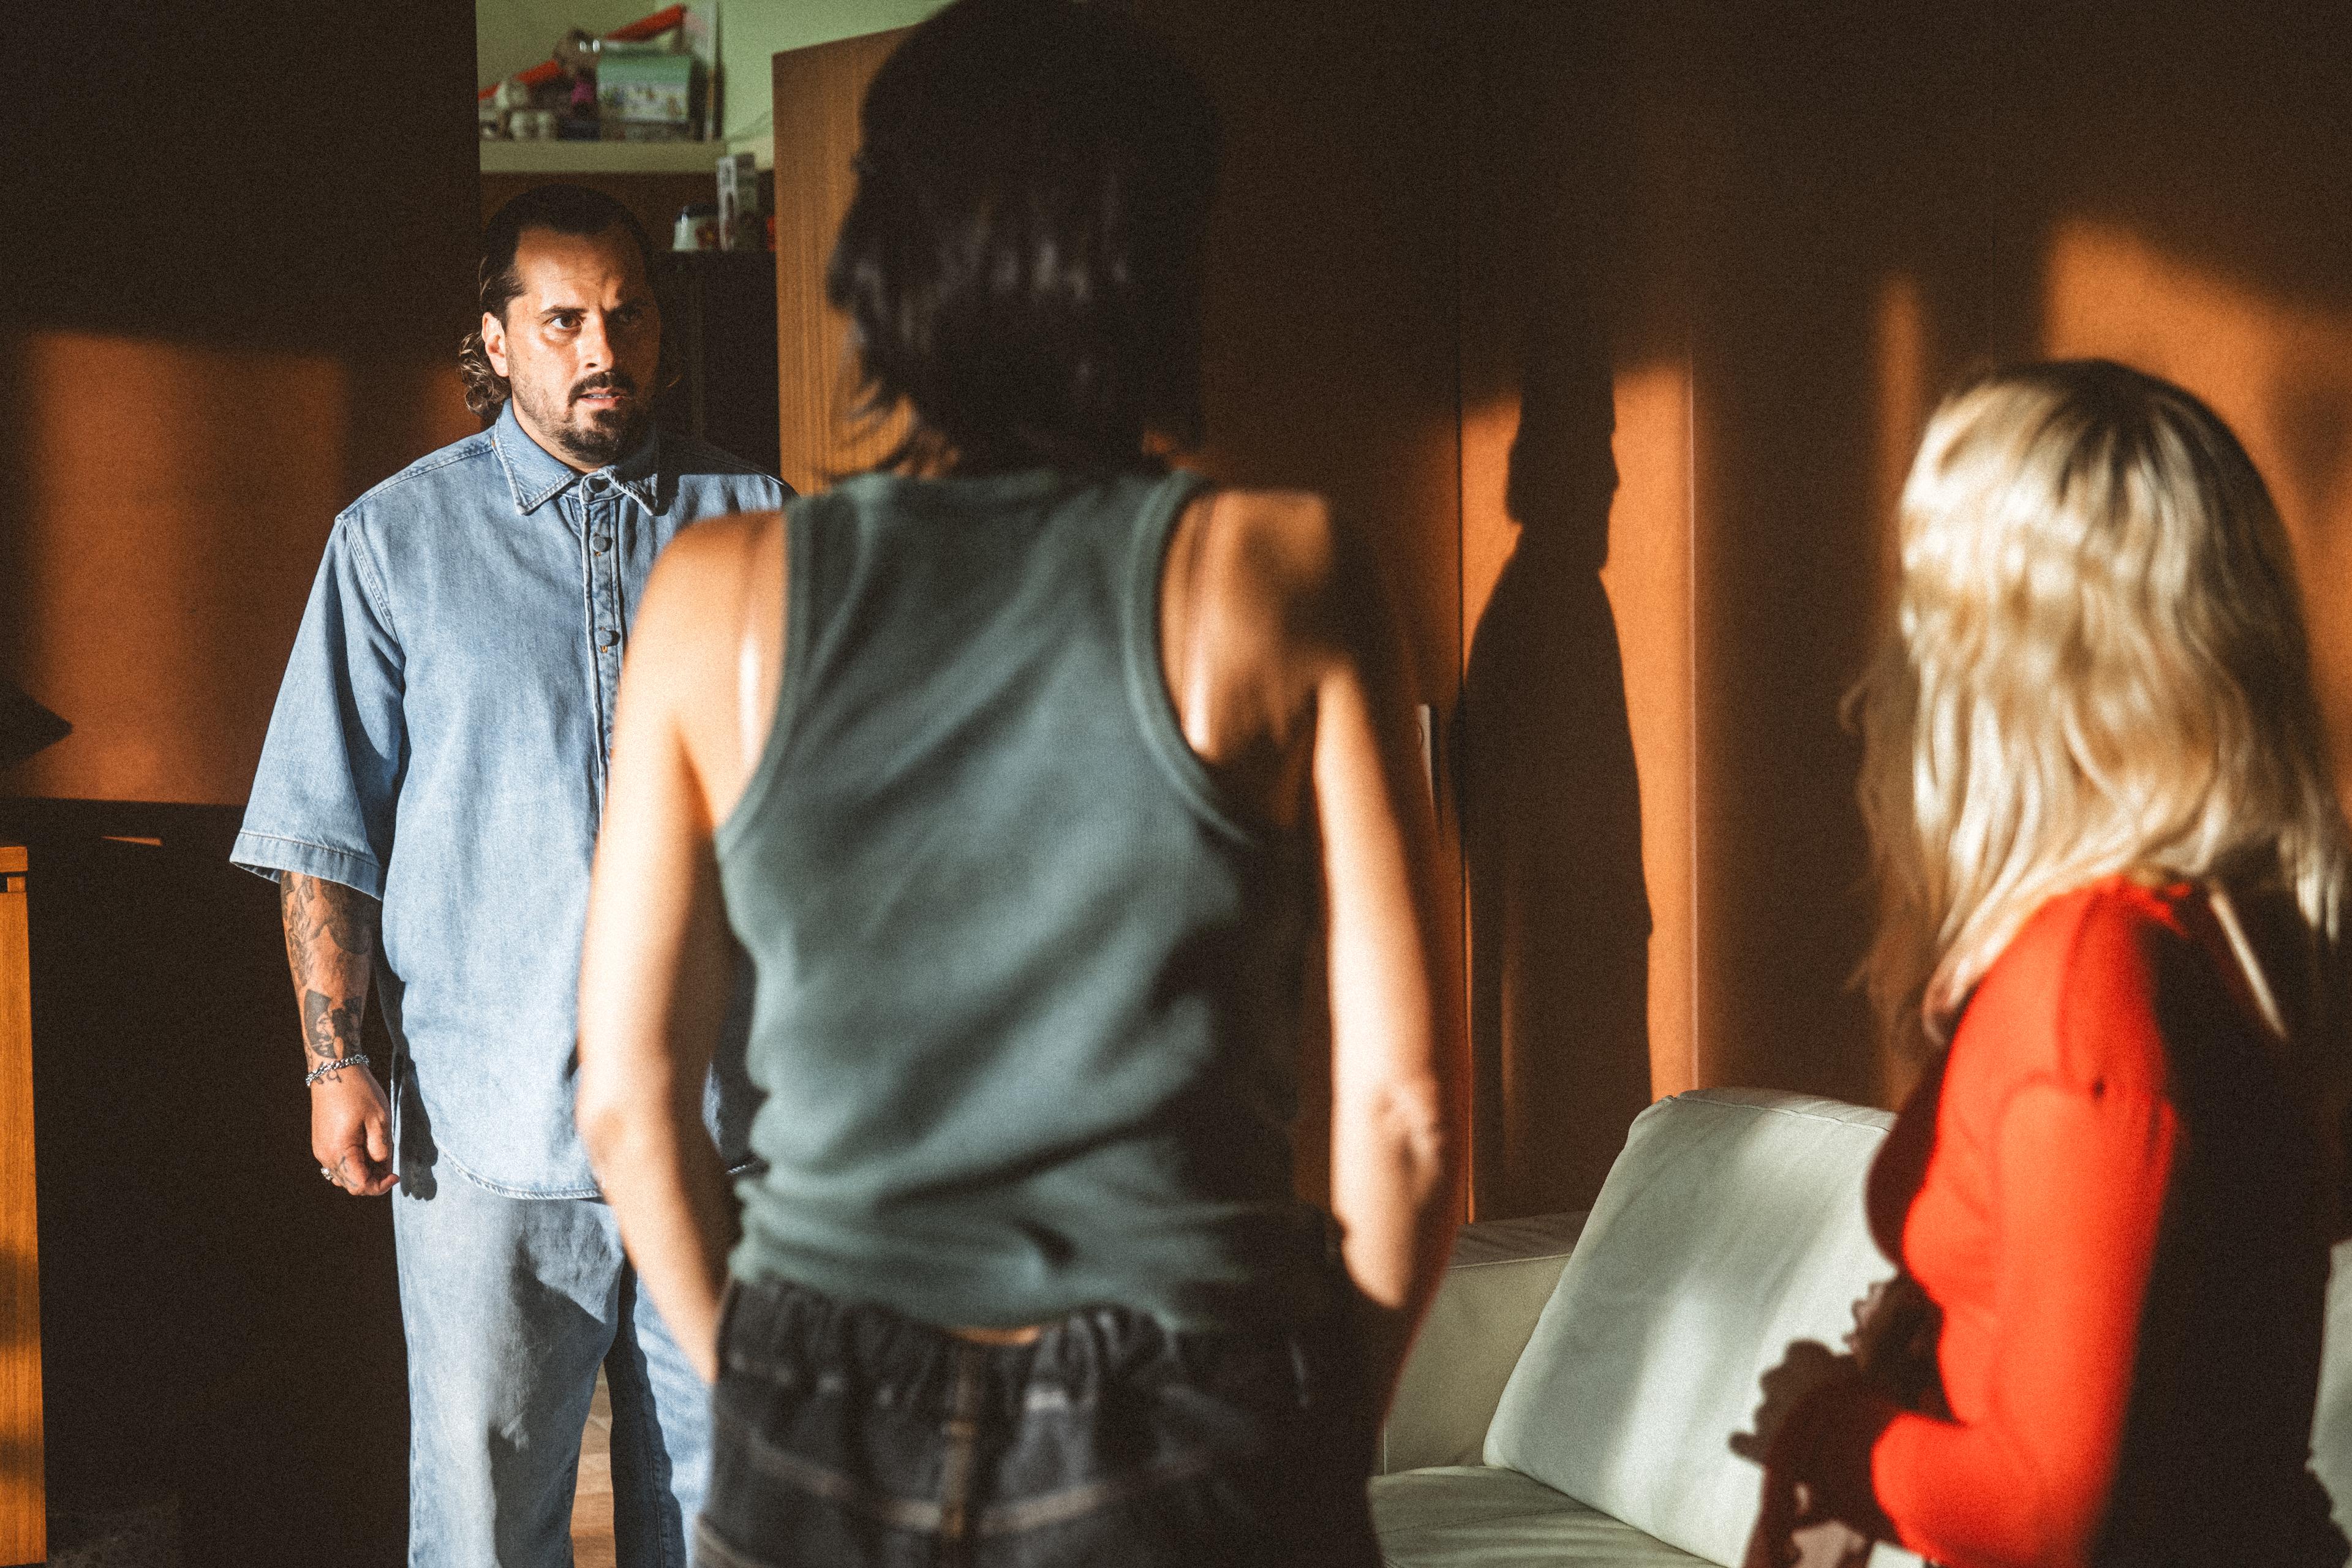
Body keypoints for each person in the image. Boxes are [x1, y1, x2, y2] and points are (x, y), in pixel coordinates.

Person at [571, 2, 1464, 1564]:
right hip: (1185, 1411)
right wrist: (1304, 1447)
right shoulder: (1278, 569)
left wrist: (772, 1403)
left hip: (826, 1400)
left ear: (880, 260)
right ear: (1154, 264)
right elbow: (1406, 1117)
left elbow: (629, 1101)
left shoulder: (716, 596)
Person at [233, 183, 789, 1567]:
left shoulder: (762, 522)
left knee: (738, 1529)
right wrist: (331, 1060)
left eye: (629, 316)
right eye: (563, 321)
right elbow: (326, 831)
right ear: (495, 338)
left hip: (732, 1136)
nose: (604, 349)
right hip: (488, 1142)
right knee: (484, 1536)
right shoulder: (392, 543)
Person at [1738, 360, 2352, 1568]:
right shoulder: (2245, 926)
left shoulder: (2090, 974)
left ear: (1991, 655)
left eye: (1918, 597)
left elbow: (2044, 1513)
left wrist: (1827, 1429)